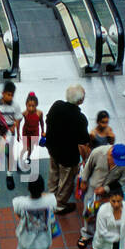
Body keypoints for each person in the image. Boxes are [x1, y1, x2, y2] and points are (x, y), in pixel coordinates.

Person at [78, 143, 125, 249]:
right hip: (92, 191)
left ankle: (104, 234)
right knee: (89, 212)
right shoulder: (98, 153)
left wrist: (106, 189)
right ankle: (87, 234)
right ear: (110, 154)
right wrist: (83, 181)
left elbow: (121, 181)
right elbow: (88, 167)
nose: (118, 164)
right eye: (116, 161)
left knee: (107, 214)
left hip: (109, 194)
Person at [45, 84, 89, 214]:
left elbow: (48, 120)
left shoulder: (56, 106)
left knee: (54, 173)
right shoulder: (80, 119)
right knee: (66, 181)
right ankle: (59, 205)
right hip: (68, 157)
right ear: (80, 100)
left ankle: (50, 196)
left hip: (53, 149)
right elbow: (83, 140)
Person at [21, 92, 44, 165]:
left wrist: (43, 131)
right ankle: (22, 156)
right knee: (26, 147)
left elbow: (42, 122)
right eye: (29, 106)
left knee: (31, 147)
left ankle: (28, 157)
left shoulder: (39, 113)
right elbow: (17, 121)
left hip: (34, 132)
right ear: (26, 105)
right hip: (26, 131)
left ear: (36, 105)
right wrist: (17, 132)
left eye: (33, 106)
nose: (31, 108)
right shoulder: (24, 113)